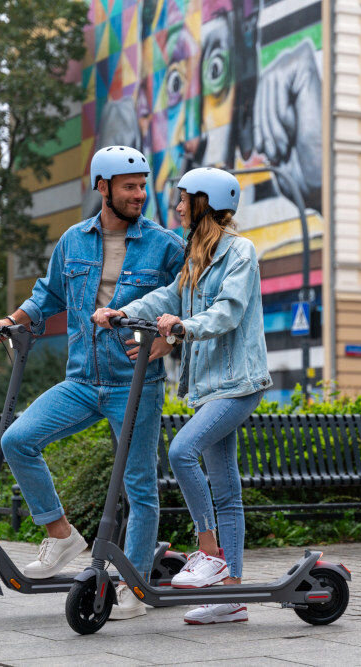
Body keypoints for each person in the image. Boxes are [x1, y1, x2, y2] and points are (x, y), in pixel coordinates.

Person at [0, 146, 185, 620]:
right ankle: (61, 534)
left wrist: (168, 341)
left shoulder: (166, 246)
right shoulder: (73, 241)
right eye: (129, 186)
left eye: (142, 185)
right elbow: (49, 294)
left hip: (135, 381)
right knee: (17, 439)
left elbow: (188, 304)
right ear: (103, 188)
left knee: (139, 485)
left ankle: (133, 585)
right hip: (81, 380)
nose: (140, 194)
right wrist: (11, 320)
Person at [93, 167, 271, 625]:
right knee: (226, 489)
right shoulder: (195, 253)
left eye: (182, 198)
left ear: (204, 202)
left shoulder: (240, 252)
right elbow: (168, 295)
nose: (175, 206)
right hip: (209, 386)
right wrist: (123, 312)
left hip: (239, 383)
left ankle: (208, 550)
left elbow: (229, 310)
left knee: (181, 450)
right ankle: (231, 596)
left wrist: (184, 327)